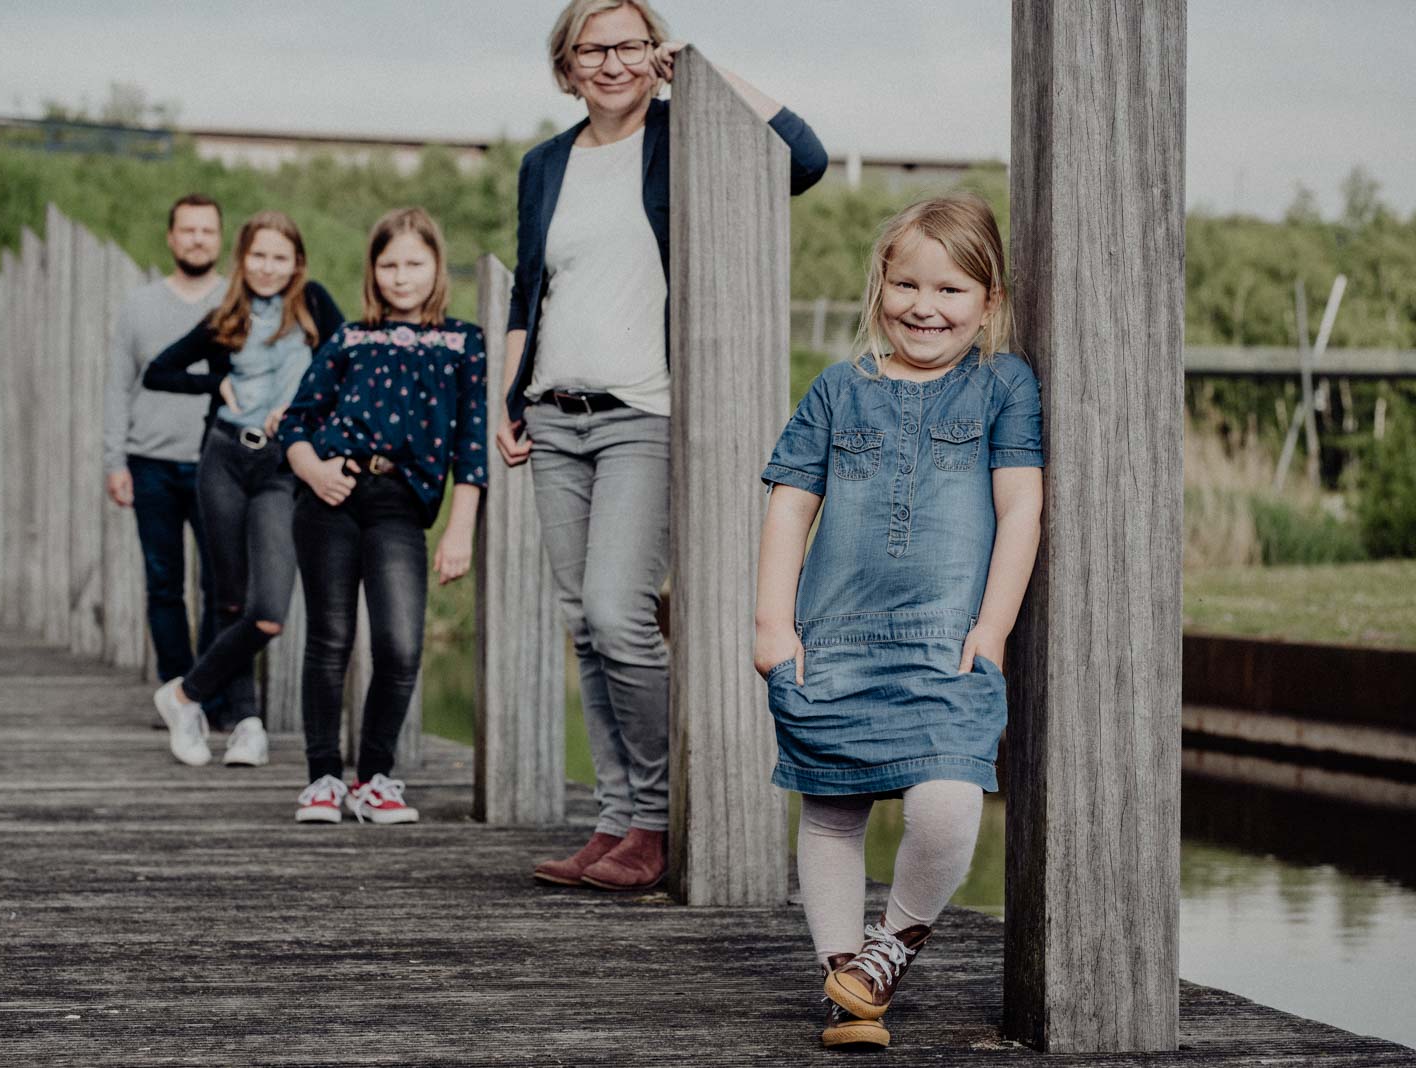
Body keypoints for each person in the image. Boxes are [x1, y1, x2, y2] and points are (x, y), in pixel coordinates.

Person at [495, 0, 828, 892]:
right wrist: (510, 395)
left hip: (644, 413)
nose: (612, 62)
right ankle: (613, 821)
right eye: (591, 48)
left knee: (617, 612)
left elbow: (803, 159)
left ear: (656, 54)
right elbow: (533, 288)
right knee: (584, 627)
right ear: (566, 67)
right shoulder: (544, 165)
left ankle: (656, 816)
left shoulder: (688, 137)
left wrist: (709, 78)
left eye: (631, 45)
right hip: (553, 414)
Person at [754, 193, 1043, 1050]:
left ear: (988, 303)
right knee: (834, 810)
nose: (926, 306)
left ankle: (892, 947)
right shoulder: (838, 390)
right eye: (908, 284)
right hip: (834, 640)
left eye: (953, 290)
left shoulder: (1002, 387)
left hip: (946, 645)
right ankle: (844, 987)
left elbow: (1022, 509)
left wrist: (991, 632)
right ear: (880, 284)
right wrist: (773, 624)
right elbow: (789, 506)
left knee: (950, 803)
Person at [278, 207, 486, 826]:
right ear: (373, 270)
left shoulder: (461, 341)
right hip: (330, 494)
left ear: (435, 268)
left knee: (399, 645)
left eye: (413, 264)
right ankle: (321, 778)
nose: (400, 277)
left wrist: (460, 528)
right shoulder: (349, 339)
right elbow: (296, 421)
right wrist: (313, 469)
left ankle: (373, 778)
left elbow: (471, 446)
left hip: (401, 503)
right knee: (330, 640)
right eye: (389, 264)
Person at [142, 211, 344, 769]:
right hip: (224, 459)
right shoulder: (224, 316)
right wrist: (215, 382)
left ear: (297, 262)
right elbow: (157, 371)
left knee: (267, 608)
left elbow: (346, 369)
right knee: (227, 598)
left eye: (280, 257)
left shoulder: (315, 305)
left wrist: (306, 411)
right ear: (242, 259)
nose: (268, 267)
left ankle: (184, 694)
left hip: (282, 467)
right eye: (258, 256)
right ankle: (246, 724)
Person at [102, 193, 228, 728]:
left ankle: (211, 692)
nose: (198, 238)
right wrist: (115, 459)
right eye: (188, 230)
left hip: (216, 461)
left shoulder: (236, 301)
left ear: (220, 239)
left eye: (207, 230)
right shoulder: (139, 306)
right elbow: (118, 385)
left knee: (219, 585)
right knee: (163, 583)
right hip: (149, 461)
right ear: (171, 238)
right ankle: (177, 693)